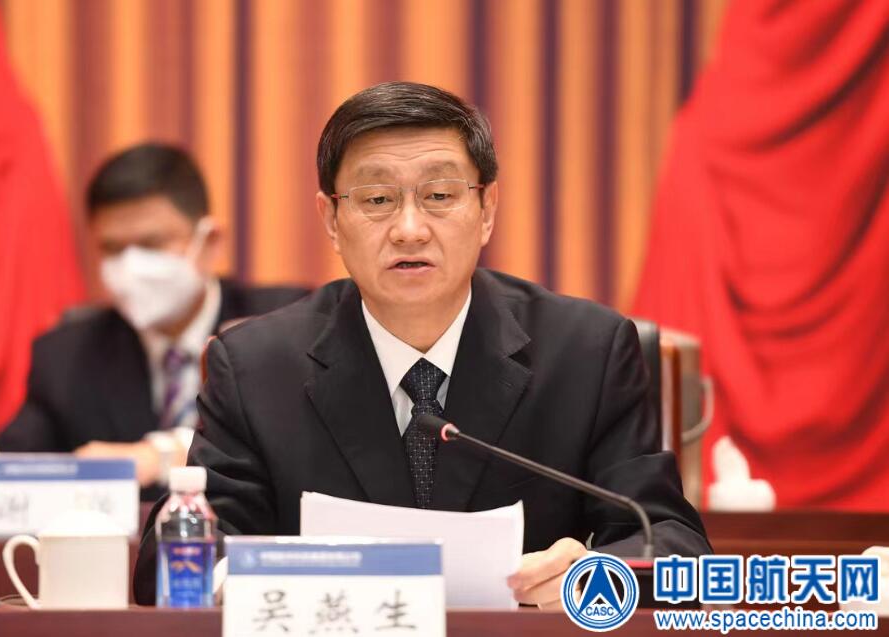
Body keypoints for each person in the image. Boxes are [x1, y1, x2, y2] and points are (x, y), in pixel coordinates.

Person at [134, 83, 711, 608]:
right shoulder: (257, 368)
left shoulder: (586, 352)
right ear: (331, 219)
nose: (409, 229)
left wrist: (595, 576)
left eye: (439, 194)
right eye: (376, 200)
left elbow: (674, 546)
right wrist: (240, 582)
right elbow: (174, 554)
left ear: (486, 211)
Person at [0, 143, 309, 492]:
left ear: (209, 243)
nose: (131, 266)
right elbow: (10, 470)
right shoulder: (64, 358)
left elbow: (299, 439)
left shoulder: (285, 324)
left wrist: (160, 455)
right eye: (112, 248)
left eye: (151, 244)